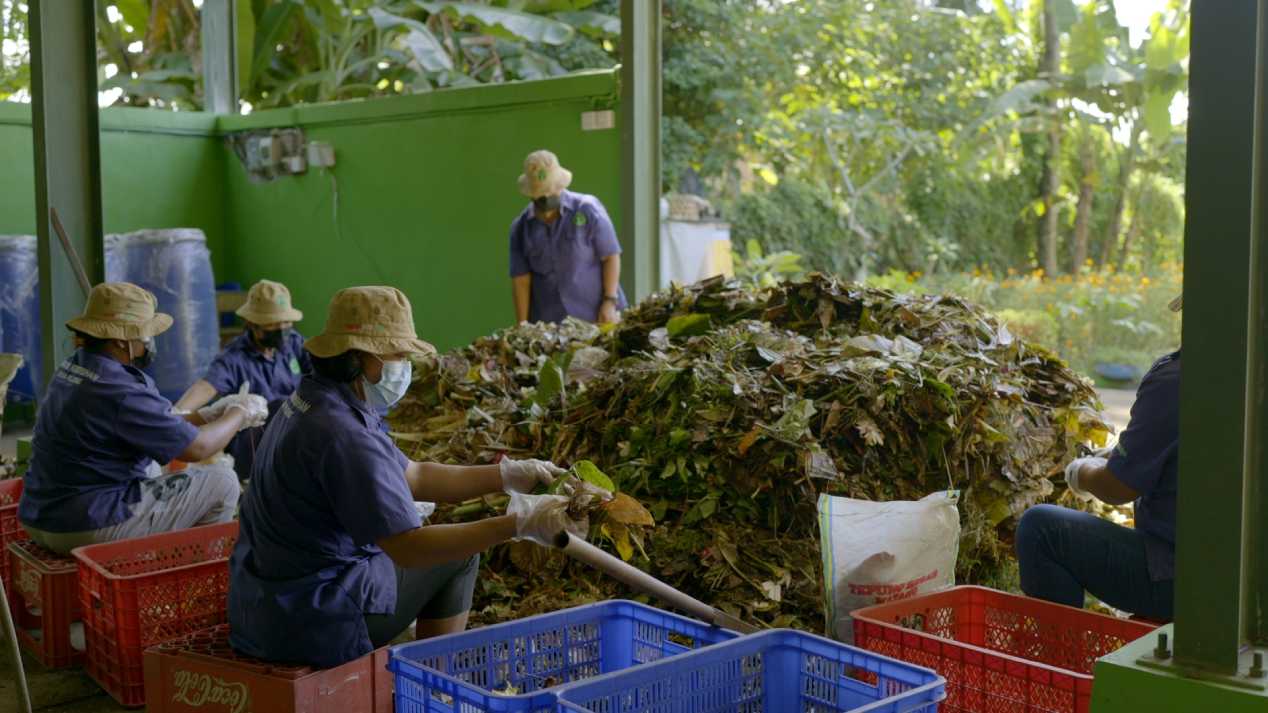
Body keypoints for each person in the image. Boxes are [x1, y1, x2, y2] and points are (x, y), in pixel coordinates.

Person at [228, 286, 588, 667]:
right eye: (397, 356)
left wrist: (508, 475)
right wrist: (517, 524)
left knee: (442, 542)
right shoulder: (341, 434)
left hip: (263, 601)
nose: (404, 368)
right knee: (458, 557)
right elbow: (409, 549)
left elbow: (413, 474)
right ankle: (431, 682)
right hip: (309, 617)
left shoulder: (316, 400)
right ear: (360, 358)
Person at [18, 282, 268, 555]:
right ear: (120, 339)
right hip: (84, 524)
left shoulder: (75, 367)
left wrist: (207, 415)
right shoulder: (119, 389)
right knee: (223, 481)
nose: (148, 342)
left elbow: (150, 424)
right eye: (145, 334)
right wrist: (241, 412)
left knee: (150, 468)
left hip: (39, 515)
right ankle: (190, 577)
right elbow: (199, 449)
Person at [1015, 295, 1182, 621]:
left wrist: (1082, 472)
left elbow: (1118, 488)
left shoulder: (1178, 382)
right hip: (1244, 577)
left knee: (1040, 529)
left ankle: (1061, 668)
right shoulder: (1248, 375)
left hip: (1183, 579)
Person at [174, 279, 310, 481]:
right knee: (280, 407)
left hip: (295, 432)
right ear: (252, 324)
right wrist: (177, 414)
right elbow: (207, 386)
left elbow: (319, 374)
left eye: (286, 323)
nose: (282, 330)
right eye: (273, 324)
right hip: (254, 442)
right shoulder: (234, 357)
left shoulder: (293, 343)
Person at [509, 149, 628, 325]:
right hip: (552, 325)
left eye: (552, 191)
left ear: (560, 186)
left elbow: (611, 256)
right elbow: (521, 280)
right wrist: (523, 325)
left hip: (598, 317)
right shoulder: (521, 228)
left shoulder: (588, 210)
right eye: (542, 194)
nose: (548, 197)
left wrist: (609, 302)